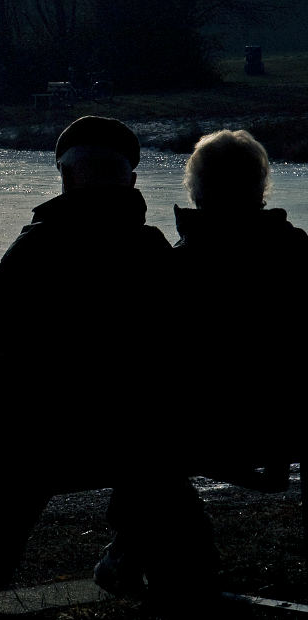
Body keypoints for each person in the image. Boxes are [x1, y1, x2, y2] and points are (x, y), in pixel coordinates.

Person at [0, 116, 175, 613]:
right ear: (130, 180)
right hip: (137, 431)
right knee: (33, 435)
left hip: (50, 431)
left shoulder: (39, 248)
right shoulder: (153, 250)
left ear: (66, 177)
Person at [97, 129, 308, 614]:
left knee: (136, 435)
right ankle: (146, 559)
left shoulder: (180, 269)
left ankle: (171, 567)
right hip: (288, 423)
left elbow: (144, 360)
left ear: (197, 191)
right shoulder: (297, 254)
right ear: (260, 189)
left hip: (205, 430)